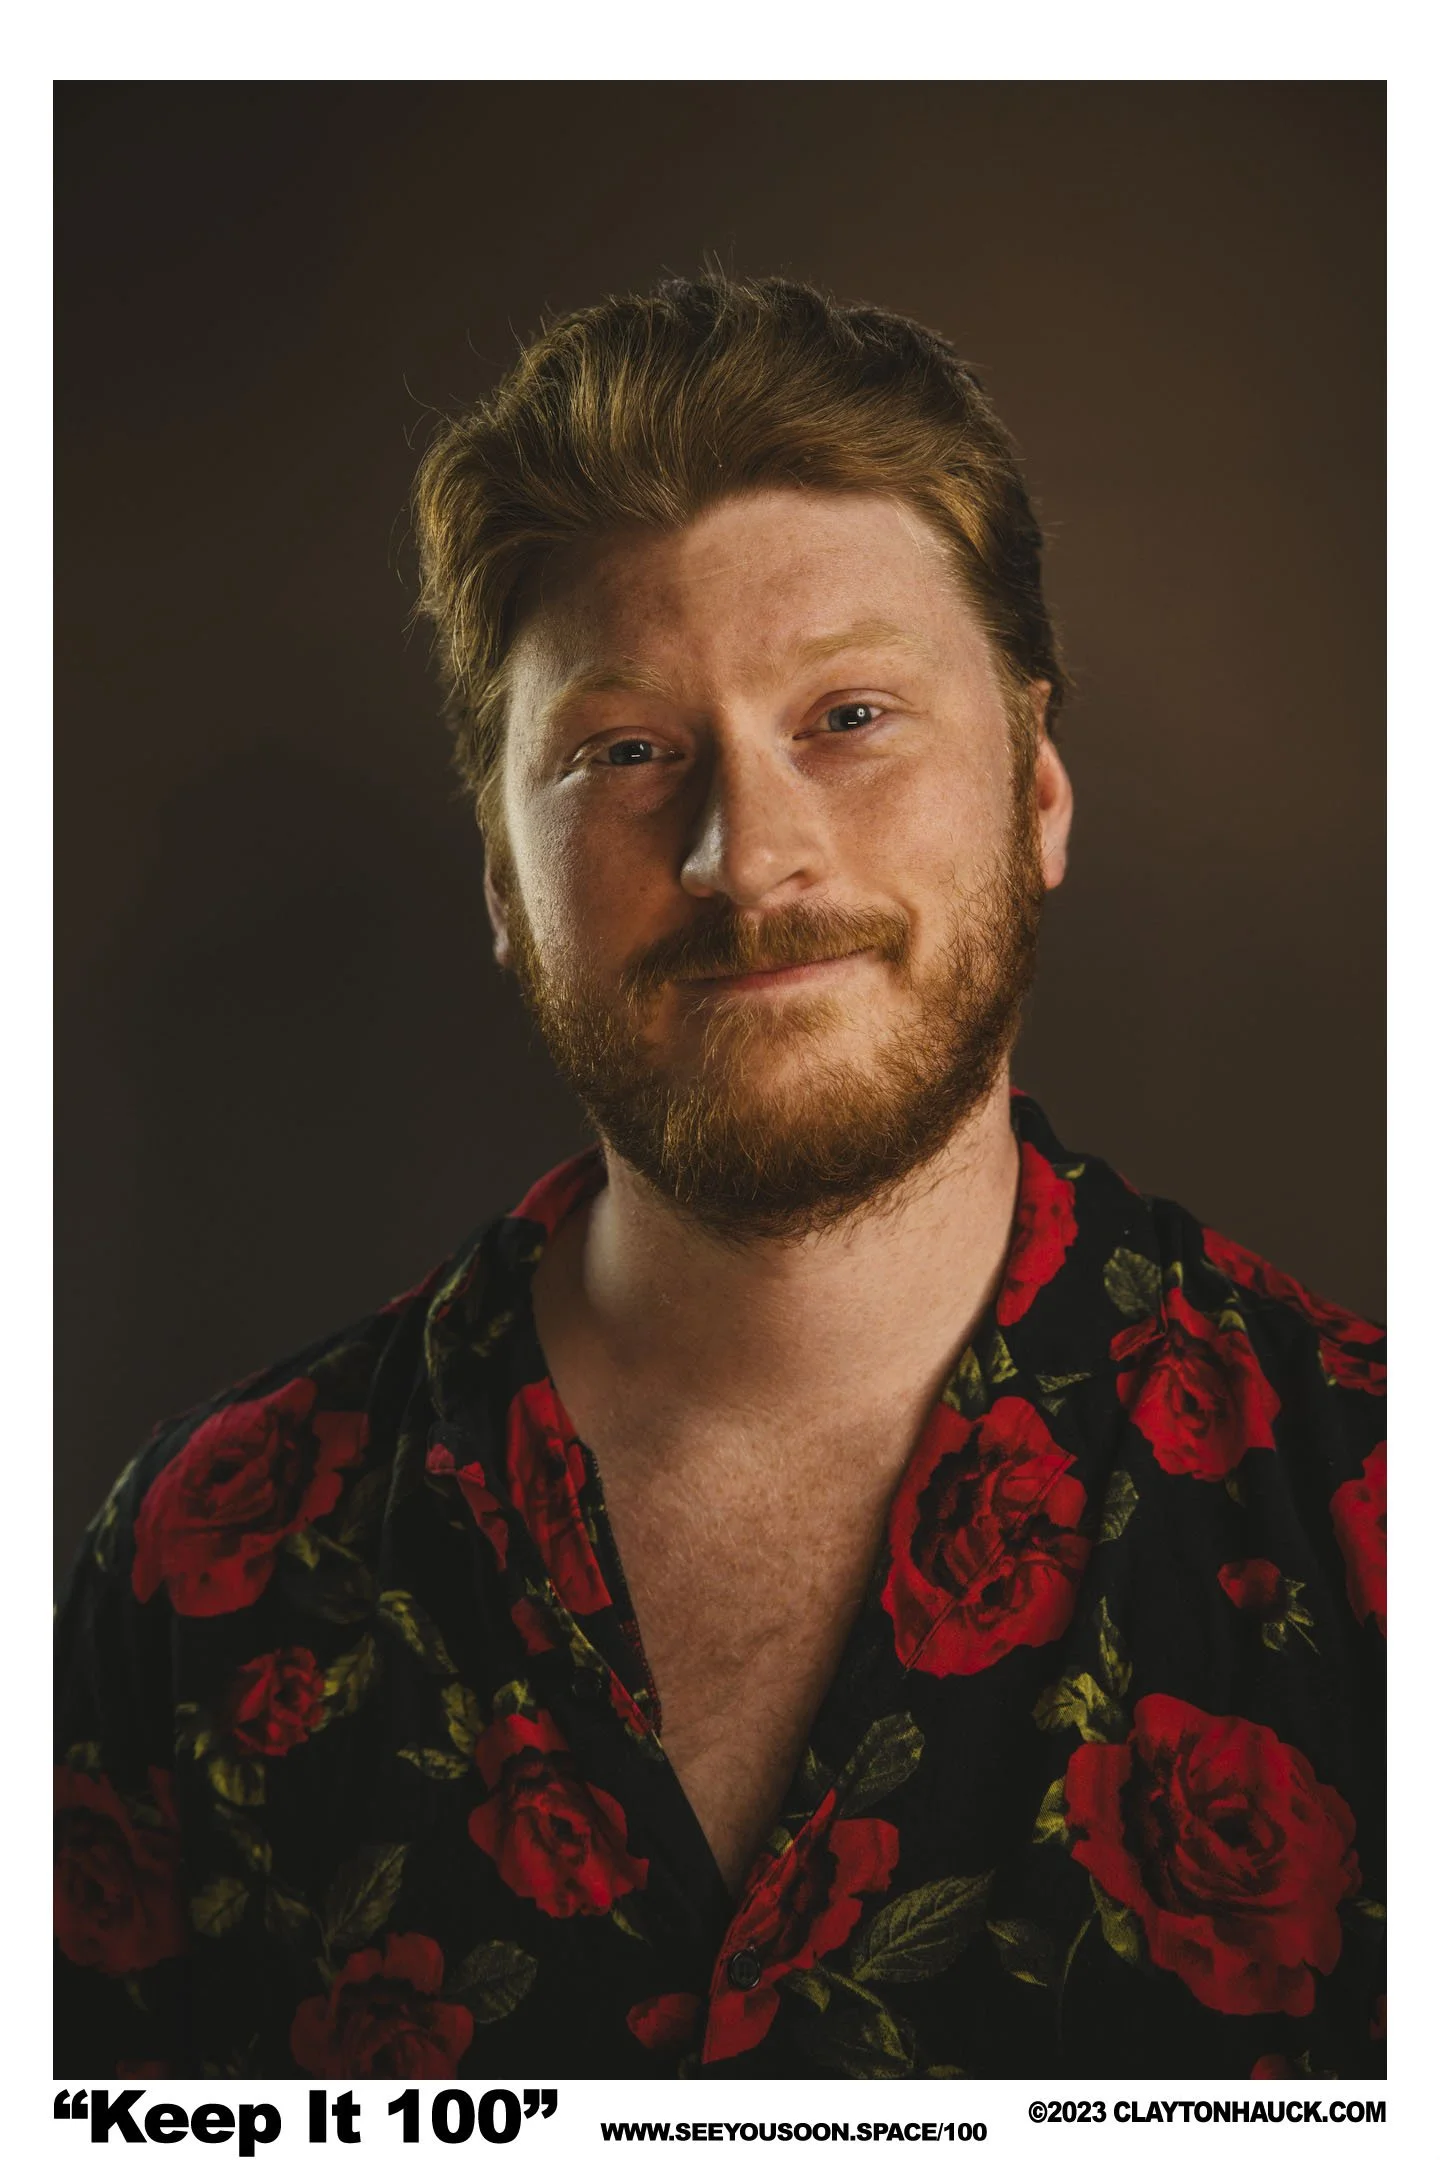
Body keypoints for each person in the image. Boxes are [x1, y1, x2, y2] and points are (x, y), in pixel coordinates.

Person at [55, 274, 1385, 2082]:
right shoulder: (202, 1570)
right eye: (625, 752)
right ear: (504, 882)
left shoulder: (1374, 1517)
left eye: (851, 716)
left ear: (1039, 794)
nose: (746, 858)